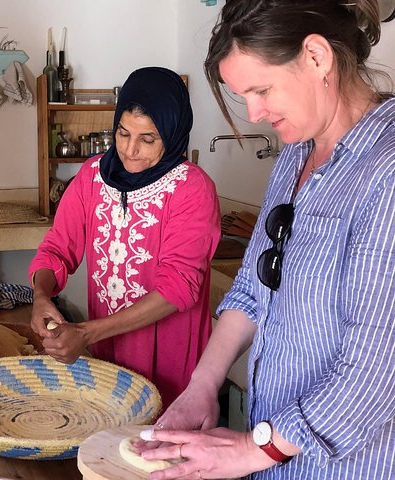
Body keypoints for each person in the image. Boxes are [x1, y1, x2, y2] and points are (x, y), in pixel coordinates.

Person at [137, 1, 395, 479]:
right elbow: (254, 290)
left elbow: (373, 375)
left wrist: (252, 452)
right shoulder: (295, 156)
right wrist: (201, 385)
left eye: (261, 90)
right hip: (275, 460)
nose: (254, 113)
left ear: (317, 57)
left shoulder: (386, 169)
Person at [29, 67, 221, 409]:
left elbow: (178, 287)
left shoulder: (191, 189)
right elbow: (57, 249)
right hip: (108, 357)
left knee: (159, 448)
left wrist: (86, 333)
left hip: (171, 361)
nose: (130, 150)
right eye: (122, 133)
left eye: (148, 139)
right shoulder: (91, 177)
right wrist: (41, 295)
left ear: (173, 134)